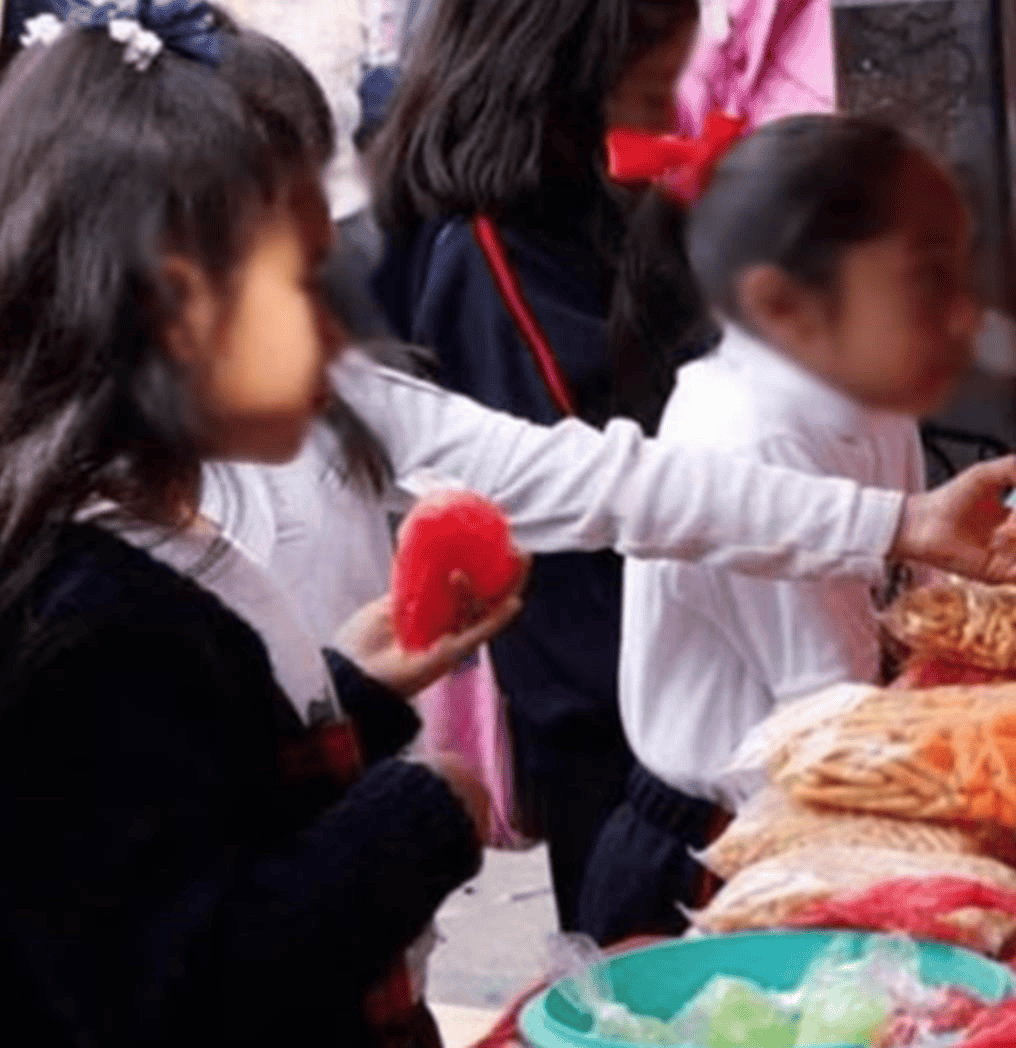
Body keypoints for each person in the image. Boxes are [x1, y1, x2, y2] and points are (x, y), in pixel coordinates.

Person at [0, 7, 520, 1045]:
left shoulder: (125, 549)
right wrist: (430, 809)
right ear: (184, 309)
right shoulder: (88, 626)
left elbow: (203, 804)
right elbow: (199, 980)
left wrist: (352, 689)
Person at [579, 114, 982, 944]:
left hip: (834, 800)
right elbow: (824, 712)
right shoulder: (747, 438)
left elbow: (916, 607)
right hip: (730, 848)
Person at [369, 0, 706, 933]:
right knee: (637, 980)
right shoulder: (494, 247)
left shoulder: (587, 202)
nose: (668, 106)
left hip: (662, 667)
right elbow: (599, 479)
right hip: (614, 700)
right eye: (648, 84)